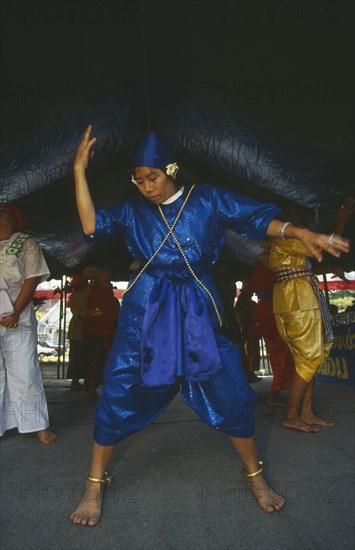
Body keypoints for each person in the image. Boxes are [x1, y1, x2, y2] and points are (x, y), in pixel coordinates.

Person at [69, 125, 349, 526]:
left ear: (172, 170)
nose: (146, 187)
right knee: (120, 385)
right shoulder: (133, 209)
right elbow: (91, 225)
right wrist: (79, 170)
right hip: (145, 307)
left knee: (230, 387)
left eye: (154, 177)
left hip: (198, 305)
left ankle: (255, 476)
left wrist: (300, 231)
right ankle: (94, 483)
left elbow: (257, 218)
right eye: (139, 179)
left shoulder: (208, 199)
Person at [259, 234, 345, 432]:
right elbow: (319, 246)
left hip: (296, 298)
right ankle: (291, 416)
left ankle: (306, 413)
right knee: (308, 358)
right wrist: (339, 224)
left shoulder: (279, 245)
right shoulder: (284, 239)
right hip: (298, 300)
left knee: (307, 359)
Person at [0, 203, 57, 444]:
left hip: (17, 315)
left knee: (24, 371)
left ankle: (37, 425)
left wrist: (14, 312)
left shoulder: (26, 243)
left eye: (3, 213)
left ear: (14, 220)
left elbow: (32, 279)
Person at [248, 261, 295, 406]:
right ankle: (274, 395)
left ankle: (278, 391)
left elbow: (251, 289)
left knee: (277, 356)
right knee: (282, 355)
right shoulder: (276, 265)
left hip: (264, 312)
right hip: (276, 310)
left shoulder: (256, 267)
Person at [80, 266, 120, 398]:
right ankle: (91, 386)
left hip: (106, 331)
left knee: (103, 359)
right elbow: (85, 312)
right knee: (97, 359)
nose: (107, 282)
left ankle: (95, 386)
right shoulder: (95, 291)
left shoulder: (105, 293)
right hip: (98, 332)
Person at [66, 274, 90, 390]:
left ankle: (81, 380)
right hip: (79, 327)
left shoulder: (81, 293)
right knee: (78, 355)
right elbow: (77, 309)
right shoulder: (80, 294)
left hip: (80, 327)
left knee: (81, 354)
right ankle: (76, 380)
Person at [234, 279, 261, 383]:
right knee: (249, 351)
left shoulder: (247, 301)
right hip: (247, 329)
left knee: (251, 351)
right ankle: (249, 373)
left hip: (250, 328)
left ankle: (250, 372)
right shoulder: (244, 301)